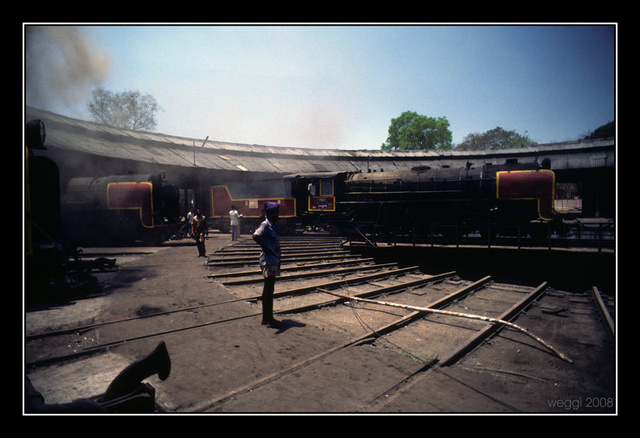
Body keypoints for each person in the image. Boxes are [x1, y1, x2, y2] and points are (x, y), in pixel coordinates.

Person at [252, 202, 281, 328]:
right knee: (268, 289)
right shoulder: (265, 225)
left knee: (270, 288)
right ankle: (269, 319)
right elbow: (256, 236)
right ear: (268, 214)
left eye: (277, 214)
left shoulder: (273, 226)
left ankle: (266, 317)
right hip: (267, 262)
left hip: (273, 261)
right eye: (275, 214)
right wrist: (266, 247)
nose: (277, 216)